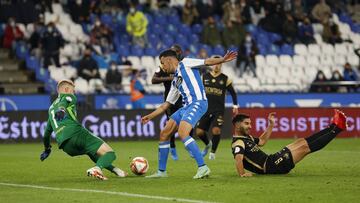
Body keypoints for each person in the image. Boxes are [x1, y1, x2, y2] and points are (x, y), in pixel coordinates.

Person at [141, 49, 237, 179]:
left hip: (198, 103)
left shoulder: (186, 62)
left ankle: (203, 167)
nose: (162, 67)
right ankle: (161, 172)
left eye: (163, 63)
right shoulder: (175, 81)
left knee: (182, 133)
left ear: (169, 60)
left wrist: (223, 60)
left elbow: (207, 62)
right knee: (165, 133)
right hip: (185, 107)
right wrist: (150, 116)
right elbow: (166, 104)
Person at [40, 79, 127, 180]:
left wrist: (47, 149)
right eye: (73, 90)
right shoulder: (69, 96)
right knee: (110, 153)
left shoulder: (51, 109)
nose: (74, 93)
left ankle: (116, 170)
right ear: (67, 89)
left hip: (66, 147)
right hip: (76, 133)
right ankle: (97, 169)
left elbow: (46, 133)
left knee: (91, 151)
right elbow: (64, 101)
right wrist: (62, 109)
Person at [231, 110, 347, 177]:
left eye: (250, 123)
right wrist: (242, 174)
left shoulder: (247, 138)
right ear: (237, 125)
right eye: (246, 124)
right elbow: (238, 159)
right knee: (304, 148)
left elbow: (261, 141)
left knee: (301, 141)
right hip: (271, 167)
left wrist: (271, 125)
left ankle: (332, 126)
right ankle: (337, 128)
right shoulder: (238, 143)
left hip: (272, 160)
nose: (250, 126)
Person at [195, 55, 239, 160]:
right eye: (214, 63)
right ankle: (208, 144)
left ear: (221, 64)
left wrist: (235, 105)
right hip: (205, 108)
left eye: (218, 63)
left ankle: (213, 153)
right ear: (211, 64)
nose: (216, 66)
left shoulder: (225, 78)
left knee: (216, 130)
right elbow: (198, 91)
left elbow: (233, 93)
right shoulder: (204, 77)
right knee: (199, 132)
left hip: (218, 110)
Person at [151, 44, 184, 161]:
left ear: (179, 53)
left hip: (183, 97)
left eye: (175, 52)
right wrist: (169, 78)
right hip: (170, 99)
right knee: (171, 124)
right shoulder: (162, 66)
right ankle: (173, 147)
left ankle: (189, 146)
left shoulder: (183, 65)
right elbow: (153, 79)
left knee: (187, 122)